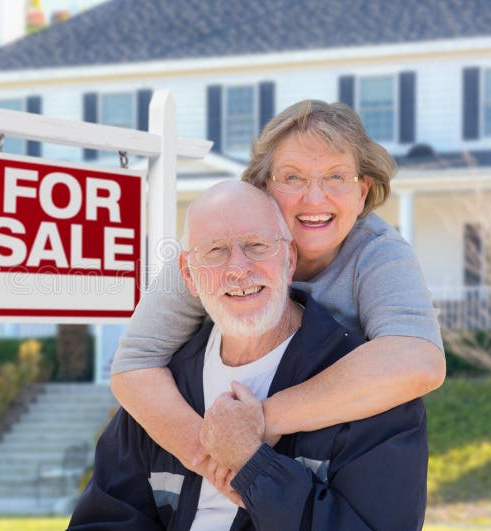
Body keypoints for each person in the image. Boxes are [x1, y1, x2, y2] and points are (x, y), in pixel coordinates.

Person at [109, 100, 444, 486]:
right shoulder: (213, 248)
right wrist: (215, 461)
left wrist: (261, 420)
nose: (314, 199)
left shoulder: (378, 252)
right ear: (263, 187)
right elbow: (134, 363)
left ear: (362, 191)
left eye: (336, 177)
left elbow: (420, 360)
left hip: (332, 462)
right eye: (293, 178)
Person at [67, 181, 428, 530]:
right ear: (188, 276)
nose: (238, 268)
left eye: (256, 245)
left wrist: (255, 469)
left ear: (289, 259)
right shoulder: (163, 393)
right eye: (215, 250)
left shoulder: (372, 395)